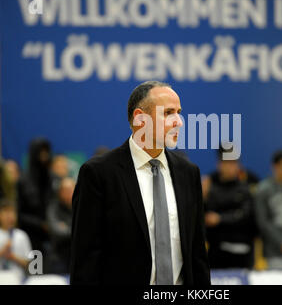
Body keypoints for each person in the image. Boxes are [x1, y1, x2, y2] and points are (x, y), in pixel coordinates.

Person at [70, 81, 211, 285]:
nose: (179, 121)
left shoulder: (188, 173)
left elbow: (197, 255)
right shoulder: (98, 173)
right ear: (140, 118)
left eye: (179, 112)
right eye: (168, 113)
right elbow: (85, 259)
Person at [203, 145, 258, 269]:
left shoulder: (246, 187)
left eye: (234, 163)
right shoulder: (209, 186)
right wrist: (203, 198)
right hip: (217, 253)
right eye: (227, 163)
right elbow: (204, 219)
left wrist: (220, 219)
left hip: (243, 252)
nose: (231, 167)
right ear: (219, 164)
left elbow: (246, 216)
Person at [17, 138, 53, 258]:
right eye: (41, 153)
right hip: (31, 237)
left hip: (53, 237)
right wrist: (40, 224)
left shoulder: (52, 179)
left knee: (53, 275)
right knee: (36, 273)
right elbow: (19, 213)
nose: (44, 157)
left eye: (46, 153)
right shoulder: (23, 181)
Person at [47, 177, 75, 274]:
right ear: (59, 192)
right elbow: (57, 231)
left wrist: (66, 227)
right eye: (65, 190)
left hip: (79, 256)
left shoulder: (83, 206)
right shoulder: (53, 208)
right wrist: (78, 229)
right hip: (59, 256)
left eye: (71, 189)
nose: (69, 192)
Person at [0, 200, 32, 281]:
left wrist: (13, 257)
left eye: (12, 213)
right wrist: (2, 252)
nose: (9, 216)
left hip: (18, 278)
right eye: (6, 213)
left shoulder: (22, 235)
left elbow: (29, 264)